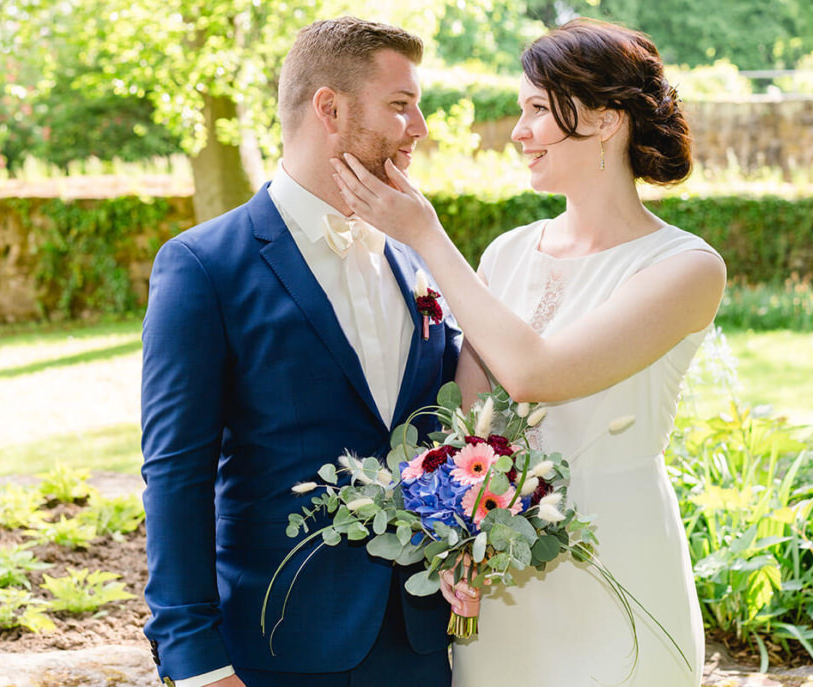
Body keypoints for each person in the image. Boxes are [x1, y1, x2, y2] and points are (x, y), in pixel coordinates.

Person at [331, 17, 725, 687]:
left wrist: (426, 236)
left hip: (617, 561)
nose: (518, 131)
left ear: (605, 120)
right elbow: (474, 414)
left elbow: (536, 373)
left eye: (538, 110)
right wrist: (459, 535)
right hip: (503, 571)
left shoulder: (686, 267)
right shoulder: (508, 252)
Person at [140, 16, 461, 687]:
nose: (419, 128)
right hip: (278, 647)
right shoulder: (204, 266)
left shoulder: (417, 254)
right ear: (330, 110)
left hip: (420, 644)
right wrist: (195, 659)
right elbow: (176, 474)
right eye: (401, 106)